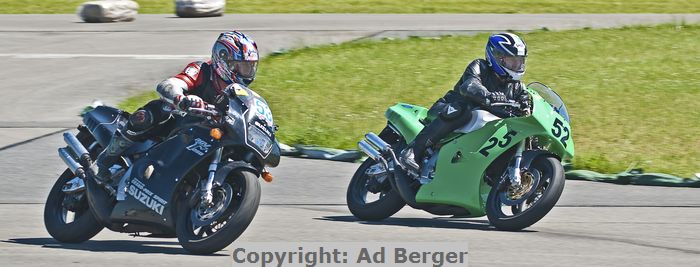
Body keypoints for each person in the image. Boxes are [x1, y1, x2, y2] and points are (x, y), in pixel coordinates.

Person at [90, 31, 260, 182]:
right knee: (152, 113)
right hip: (178, 124)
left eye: (250, 67)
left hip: (206, 136)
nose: (248, 73)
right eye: (243, 66)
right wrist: (181, 99)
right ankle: (105, 160)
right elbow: (169, 84)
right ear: (223, 60)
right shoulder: (202, 70)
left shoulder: (239, 93)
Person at [401, 32, 530, 172]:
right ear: (498, 57)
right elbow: (469, 86)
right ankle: (413, 151)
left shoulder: (517, 87)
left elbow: (527, 101)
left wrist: (528, 105)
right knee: (463, 109)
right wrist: (488, 95)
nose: (517, 65)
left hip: (480, 129)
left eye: (520, 60)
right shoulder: (480, 66)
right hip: (447, 110)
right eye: (513, 60)